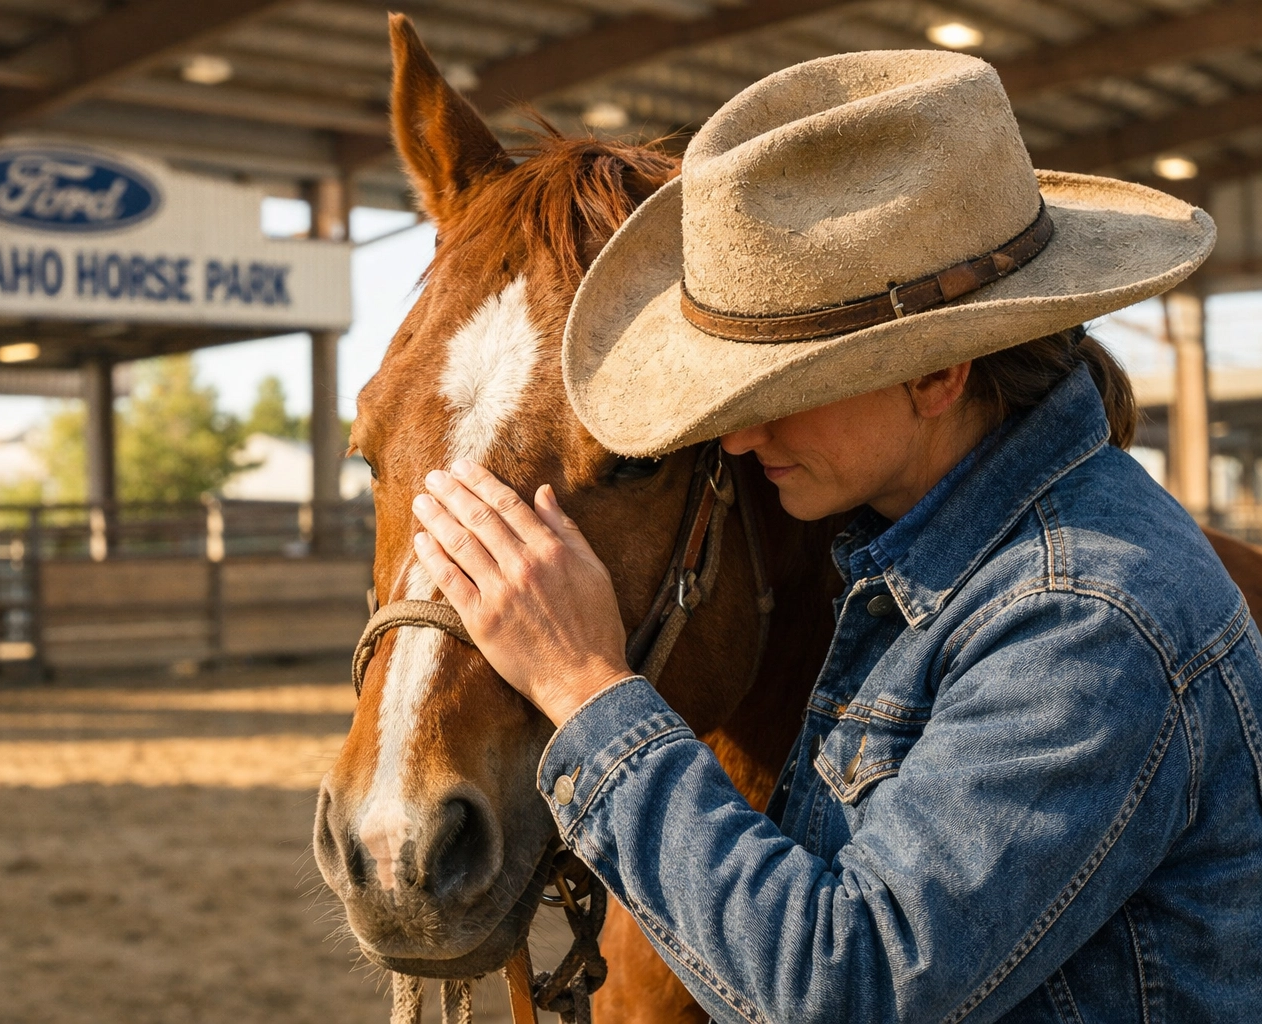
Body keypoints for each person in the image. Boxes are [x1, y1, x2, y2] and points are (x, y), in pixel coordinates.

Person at [407, 50, 1262, 1023]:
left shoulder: (1086, 620)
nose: (737, 433)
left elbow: (848, 986)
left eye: (783, 388)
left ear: (937, 373)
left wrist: (582, 689)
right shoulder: (917, 548)